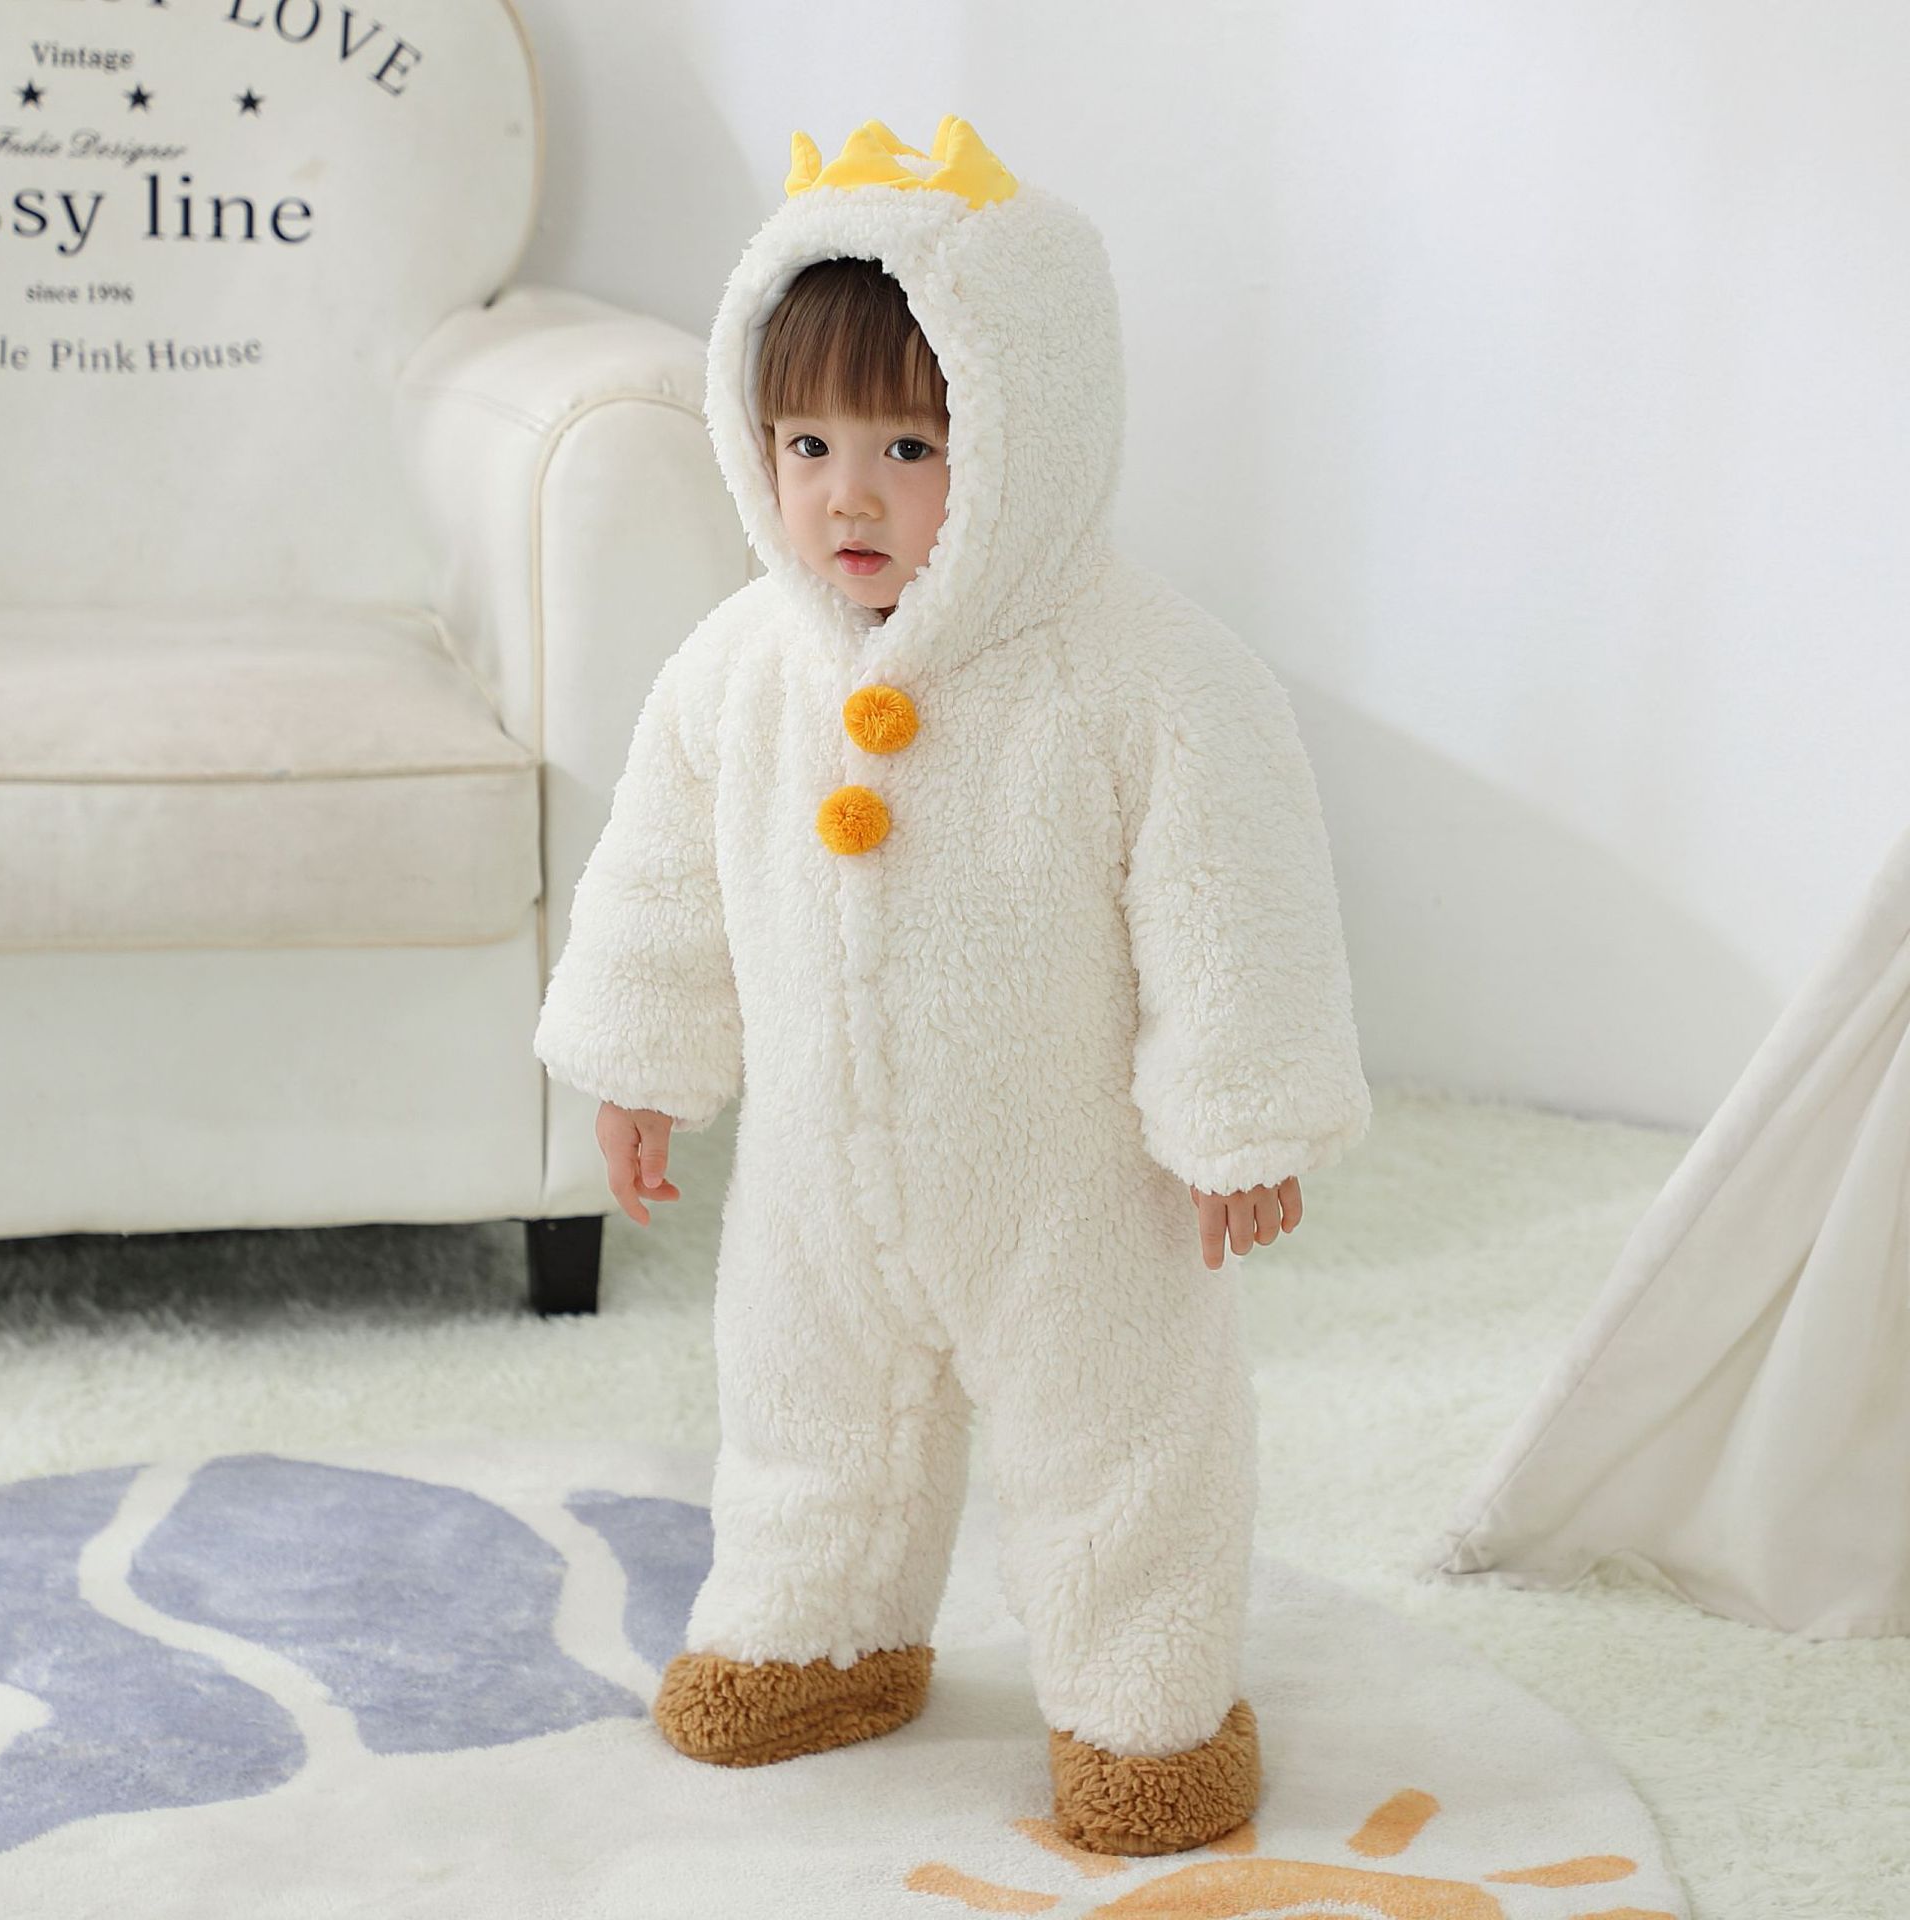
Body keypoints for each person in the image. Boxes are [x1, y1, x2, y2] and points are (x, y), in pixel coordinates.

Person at [532, 114, 1371, 1857]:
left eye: (909, 446)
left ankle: (1146, 1711)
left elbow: (1232, 900)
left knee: (1122, 1444)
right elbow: (663, 877)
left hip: (1072, 1192)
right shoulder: (739, 669)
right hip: (817, 1185)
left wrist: (1239, 1116)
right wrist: (639, 1063)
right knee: (805, 1417)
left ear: (1023, 437)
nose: (847, 495)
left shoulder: (1148, 677)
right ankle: (819, 1636)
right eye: (807, 444)